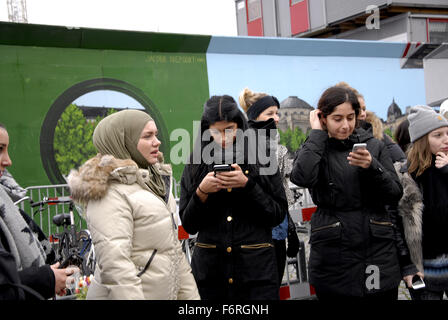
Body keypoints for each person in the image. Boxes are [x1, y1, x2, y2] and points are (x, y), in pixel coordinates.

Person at [67, 110, 200, 300]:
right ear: (123, 141)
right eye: (147, 136)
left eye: (156, 135)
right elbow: (117, 268)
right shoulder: (108, 191)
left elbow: (174, 253)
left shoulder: (156, 182)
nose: (157, 141)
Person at [290, 86, 405, 300]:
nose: (345, 125)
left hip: (376, 249)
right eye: (337, 118)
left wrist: (373, 167)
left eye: (350, 117)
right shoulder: (315, 146)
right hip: (334, 252)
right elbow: (301, 177)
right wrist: (316, 135)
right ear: (322, 118)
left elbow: (394, 193)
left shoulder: (374, 145)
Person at [179, 95, 288, 300]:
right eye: (215, 131)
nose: (223, 138)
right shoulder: (195, 161)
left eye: (229, 129)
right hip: (211, 276)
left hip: (256, 275)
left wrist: (247, 185)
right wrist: (202, 192)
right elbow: (189, 224)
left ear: (240, 125)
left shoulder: (262, 155)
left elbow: (277, 214)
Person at [0, 123, 71, 299]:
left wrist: (49, 278)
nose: (8, 161)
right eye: (0, 149)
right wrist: (45, 279)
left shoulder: (6, 202)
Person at [238, 88, 299, 286]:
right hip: (257, 235)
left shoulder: (275, 146)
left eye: (277, 113)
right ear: (255, 117)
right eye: (270, 113)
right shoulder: (247, 146)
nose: (277, 118)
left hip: (277, 232)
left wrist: (290, 228)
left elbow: (279, 192)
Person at [395, 105, 448, 300]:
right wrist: (407, 265)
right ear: (422, 139)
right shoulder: (405, 177)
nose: (446, 139)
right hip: (423, 270)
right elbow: (397, 227)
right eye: (438, 135)